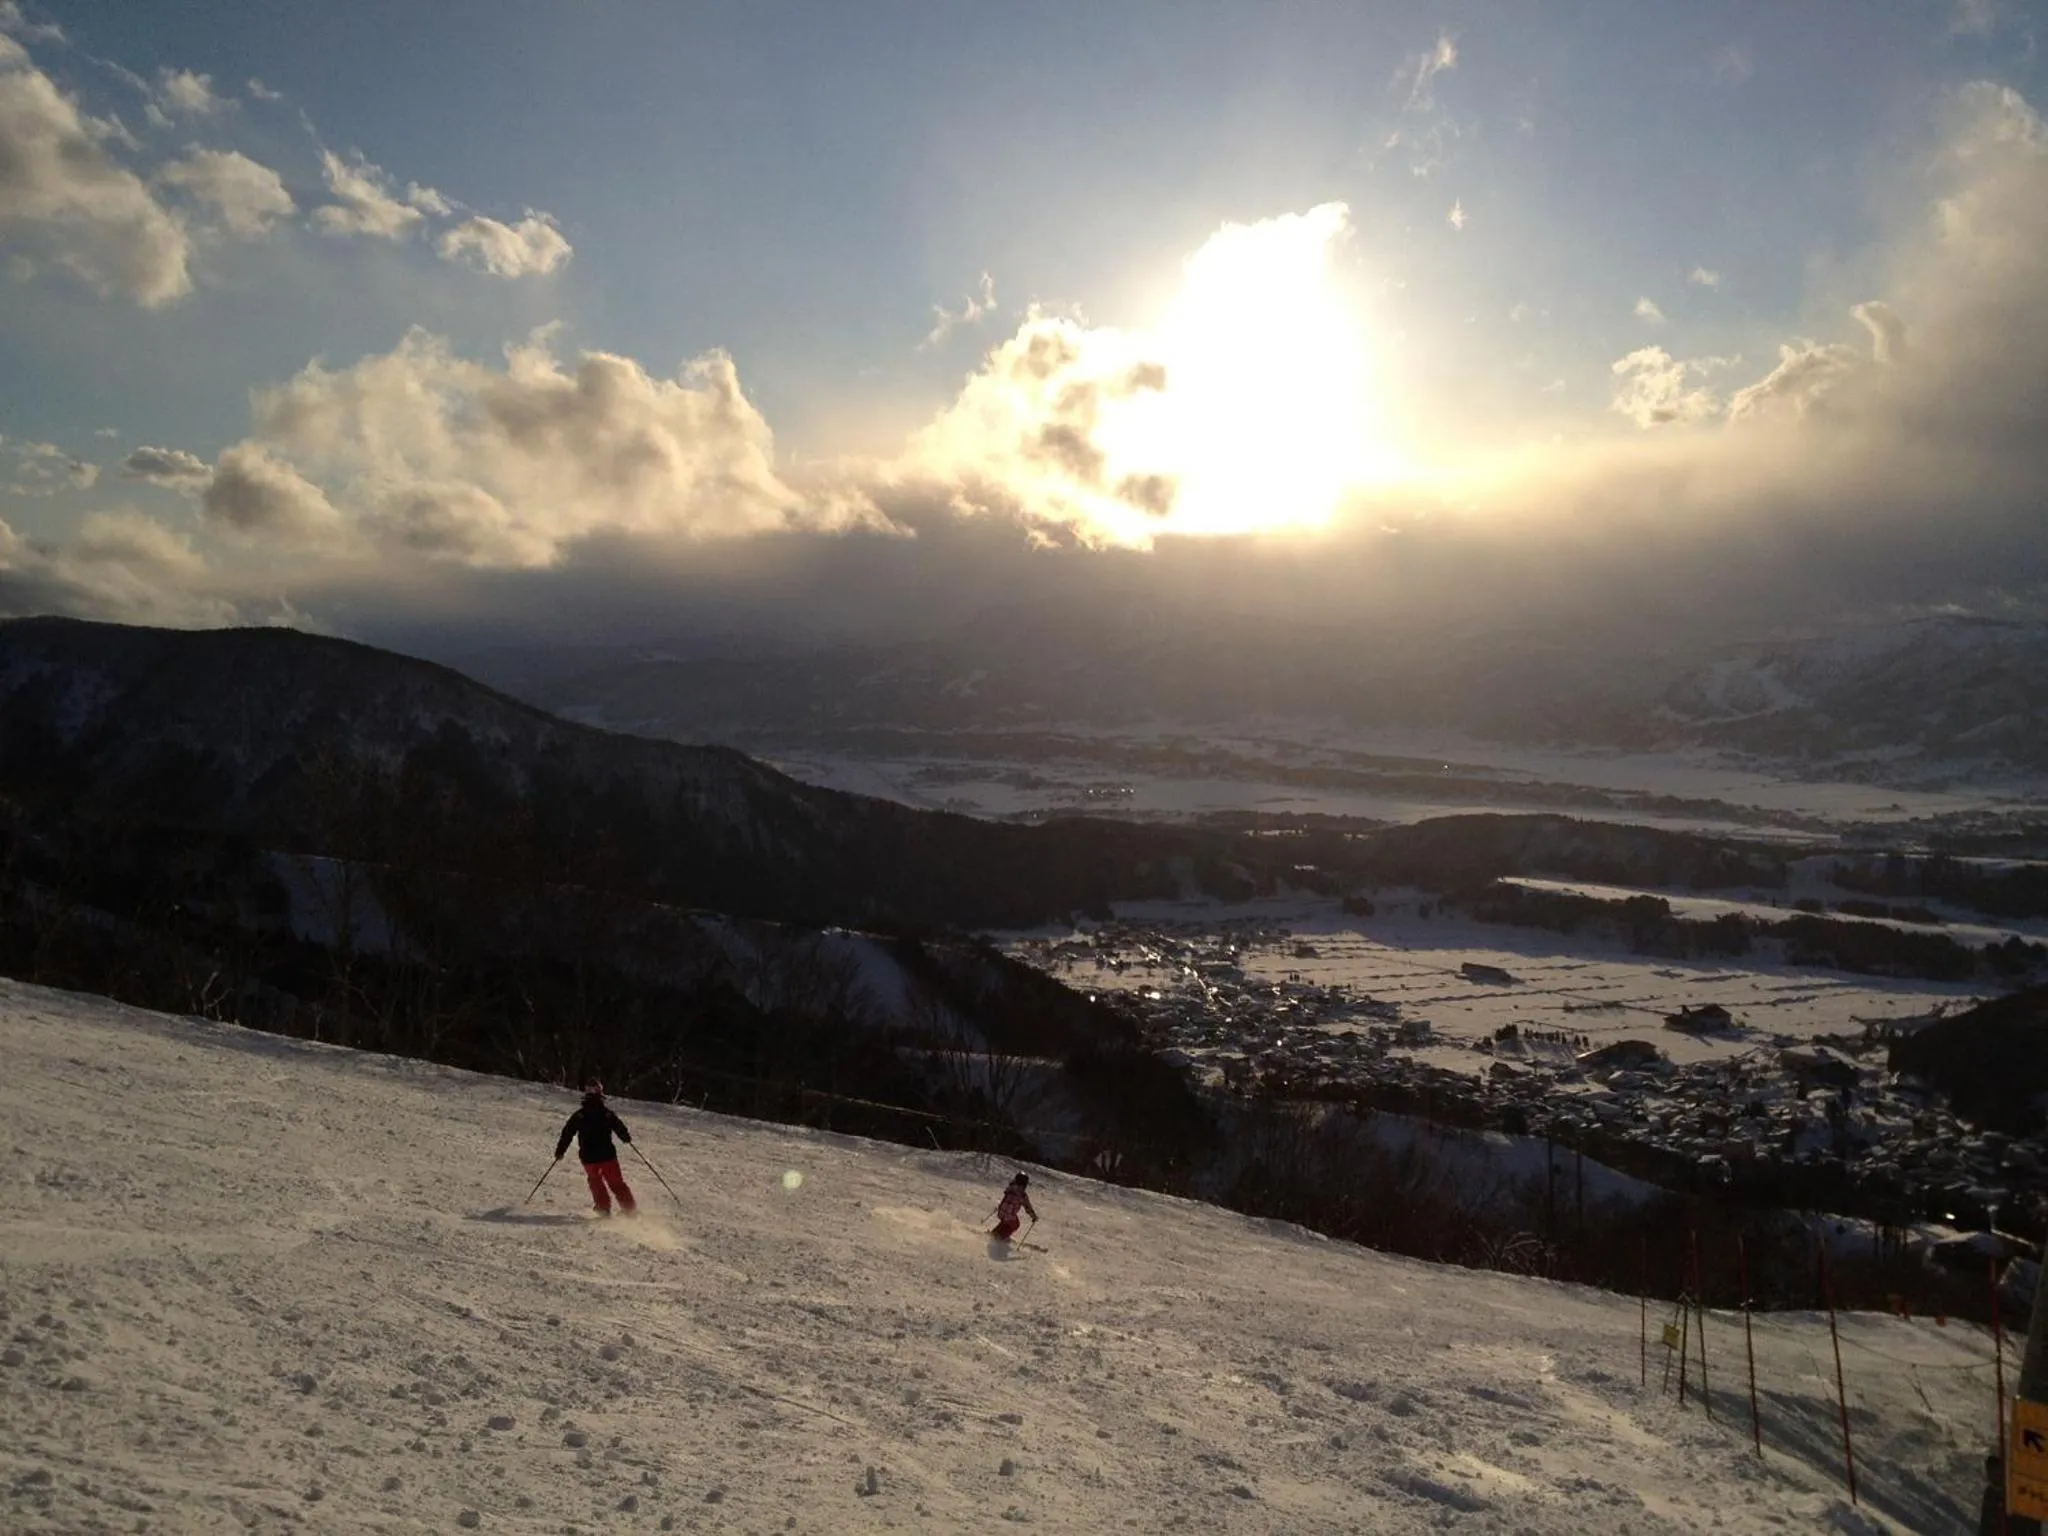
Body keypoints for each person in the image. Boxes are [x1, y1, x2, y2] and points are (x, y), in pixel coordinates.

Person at [555, 1079, 637, 1217]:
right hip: (607, 1156)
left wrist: (560, 1150)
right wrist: (625, 1138)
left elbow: (567, 1133)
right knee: (615, 1182)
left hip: (589, 1157)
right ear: (600, 1094)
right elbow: (619, 1127)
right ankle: (629, 1209)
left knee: (595, 1181)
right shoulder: (606, 1114)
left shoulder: (579, 1115)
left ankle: (603, 1207)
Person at [989, 1172, 1036, 1240]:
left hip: (1001, 1211)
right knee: (1015, 1224)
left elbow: (1005, 1197)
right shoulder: (1022, 1195)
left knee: (1005, 1221)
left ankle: (994, 1233)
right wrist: (1033, 1216)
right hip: (1009, 1214)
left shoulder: (1010, 1188)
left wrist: (1000, 1206)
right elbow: (1027, 1207)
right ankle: (1001, 1237)